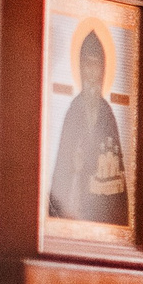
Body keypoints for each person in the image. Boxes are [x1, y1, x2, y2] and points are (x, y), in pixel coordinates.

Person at [47, 28, 129, 225]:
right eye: (87, 64)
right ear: (80, 67)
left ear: (103, 69)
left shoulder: (107, 113)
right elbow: (63, 166)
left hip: (104, 207)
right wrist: (74, 168)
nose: (91, 71)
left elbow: (116, 173)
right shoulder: (74, 110)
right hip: (75, 203)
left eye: (96, 65)